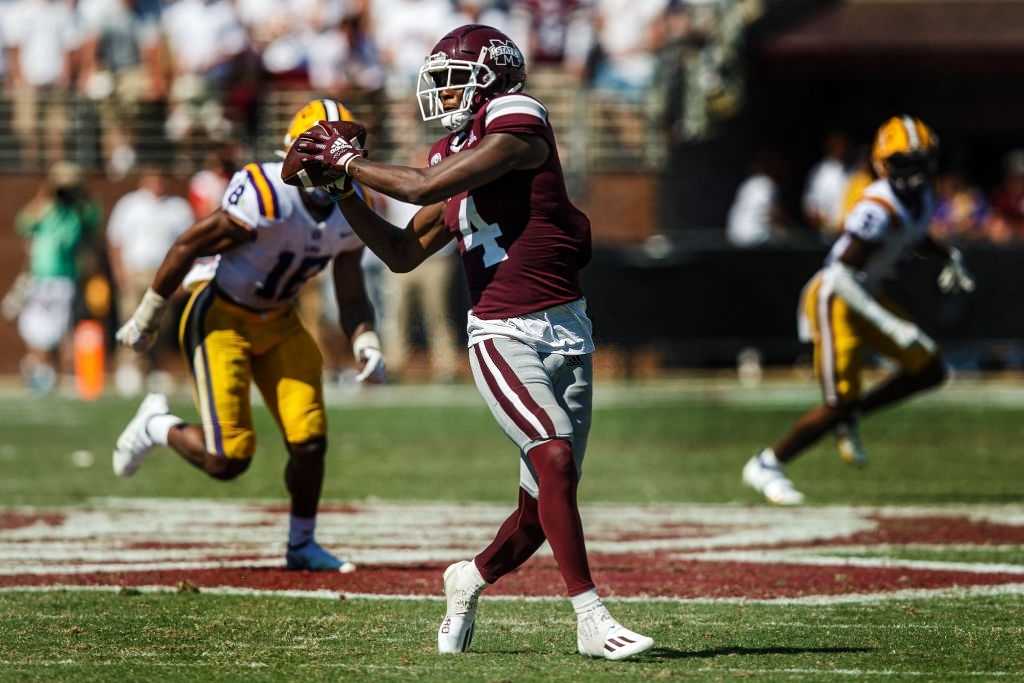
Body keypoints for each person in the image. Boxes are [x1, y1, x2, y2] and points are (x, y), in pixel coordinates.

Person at [289, 24, 653, 660]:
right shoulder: (447, 153)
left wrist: (346, 163)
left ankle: (469, 577)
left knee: (542, 506)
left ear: (495, 77)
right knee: (556, 460)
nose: (444, 93)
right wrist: (347, 194)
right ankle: (589, 616)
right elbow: (402, 252)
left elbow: (427, 189)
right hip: (499, 330)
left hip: (568, 327)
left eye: (454, 78)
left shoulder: (517, 118)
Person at [112, 99, 384, 571]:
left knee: (310, 440)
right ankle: (157, 424)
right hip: (221, 315)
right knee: (228, 460)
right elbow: (189, 243)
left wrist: (365, 338)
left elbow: (350, 285)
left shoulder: (353, 207)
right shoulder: (265, 191)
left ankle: (301, 544)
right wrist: (148, 315)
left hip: (279, 321)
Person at [742, 116, 975, 505]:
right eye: (904, 163)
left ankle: (850, 416)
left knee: (930, 369)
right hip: (837, 298)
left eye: (920, 163)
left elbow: (915, 234)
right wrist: (893, 327)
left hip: (865, 294)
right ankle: (767, 463)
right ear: (883, 164)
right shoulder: (877, 205)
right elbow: (840, 276)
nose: (913, 174)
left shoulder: (922, 198)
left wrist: (948, 254)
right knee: (838, 402)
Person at [14, 162, 101, 393]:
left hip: (65, 278)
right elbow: (22, 223)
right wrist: (46, 193)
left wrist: (79, 194)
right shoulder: (46, 209)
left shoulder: (79, 213)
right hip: (40, 278)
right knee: (35, 327)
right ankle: (40, 372)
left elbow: (94, 220)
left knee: (65, 328)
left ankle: (67, 375)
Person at [107, 170, 195, 394]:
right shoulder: (129, 205)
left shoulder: (178, 208)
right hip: (134, 270)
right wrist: (120, 273)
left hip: (164, 272)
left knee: (161, 323)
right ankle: (130, 367)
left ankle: (156, 367)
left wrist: (182, 278)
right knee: (131, 318)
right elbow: (115, 241)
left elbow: (190, 245)